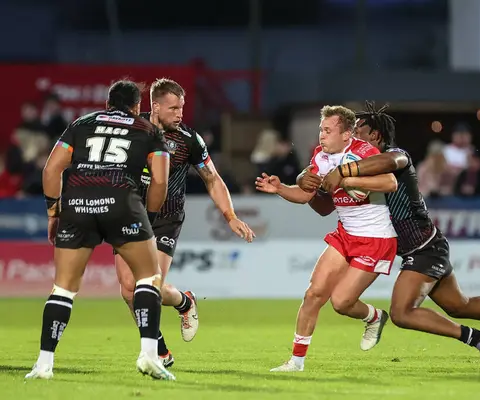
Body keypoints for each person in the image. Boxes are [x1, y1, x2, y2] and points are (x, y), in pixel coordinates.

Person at [298, 101, 480, 374]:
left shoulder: (393, 156)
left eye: (360, 130)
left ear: (376, 137)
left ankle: (478, 338)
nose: (354, 135)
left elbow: (394, 162)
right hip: (415, 249)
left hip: (424, 248)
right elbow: (324, 207)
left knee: (402, 313)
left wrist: (345, 173)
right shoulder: (352, 162)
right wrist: (311, 186)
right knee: (459, 305)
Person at [26, 80, 175, 380]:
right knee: (148, 277)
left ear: (108, 104)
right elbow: (159, 180)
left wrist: (54, 212)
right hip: (123, 204)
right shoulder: (148, 131)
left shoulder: (81, 123)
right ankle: (149, 356)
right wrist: (150, 216)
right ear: (136, 107)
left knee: (64, 287)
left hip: (77, 204)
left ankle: (43, 364)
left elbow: (51, 170)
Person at [115, 78, 255, 368]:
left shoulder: (189, 140)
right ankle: (175, 322)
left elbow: (212, 178)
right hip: (130, 214)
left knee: (149, 285)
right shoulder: (131, 129)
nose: (180, 113)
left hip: (166, 217)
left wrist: (230, 216)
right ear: (154, 106)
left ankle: (162, 337)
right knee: (128, 288)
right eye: (173, 108)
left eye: (182, 107)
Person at [256, 105, 398, 372]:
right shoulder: (320, 156)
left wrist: (347, 180)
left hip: (376, 238)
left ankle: (375, 317)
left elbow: (390, 182)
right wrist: (280, 189)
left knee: (341, 303)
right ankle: (296, 362)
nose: (322, 136)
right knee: (313, 293)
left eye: (328, 130)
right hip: (345, 235)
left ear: (346, 134)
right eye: (321, 129)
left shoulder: (364, 152)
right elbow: (305, 195)